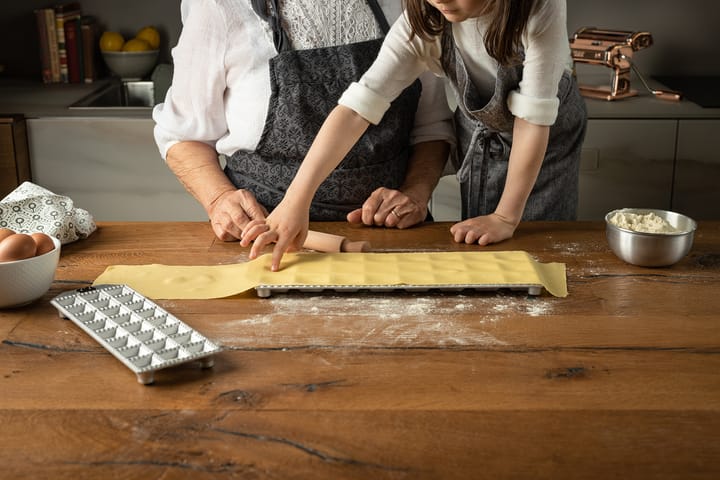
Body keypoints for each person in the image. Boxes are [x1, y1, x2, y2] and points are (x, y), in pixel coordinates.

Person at [243, 0, 587, 271]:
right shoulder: (426, 17)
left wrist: (505, 216)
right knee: (485, 257)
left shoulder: (539, 6)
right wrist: (294, 202)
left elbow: (532, 119)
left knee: (535, 257)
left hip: (542, 139)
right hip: (483, 130)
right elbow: (356, 109)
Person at [153, 0, 455, 242]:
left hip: (392, 238)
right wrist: (219, 199)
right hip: (265, 238)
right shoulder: (219, 7)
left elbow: (431, 127)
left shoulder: (407, 4)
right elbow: (183, 135)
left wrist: (415, 193)